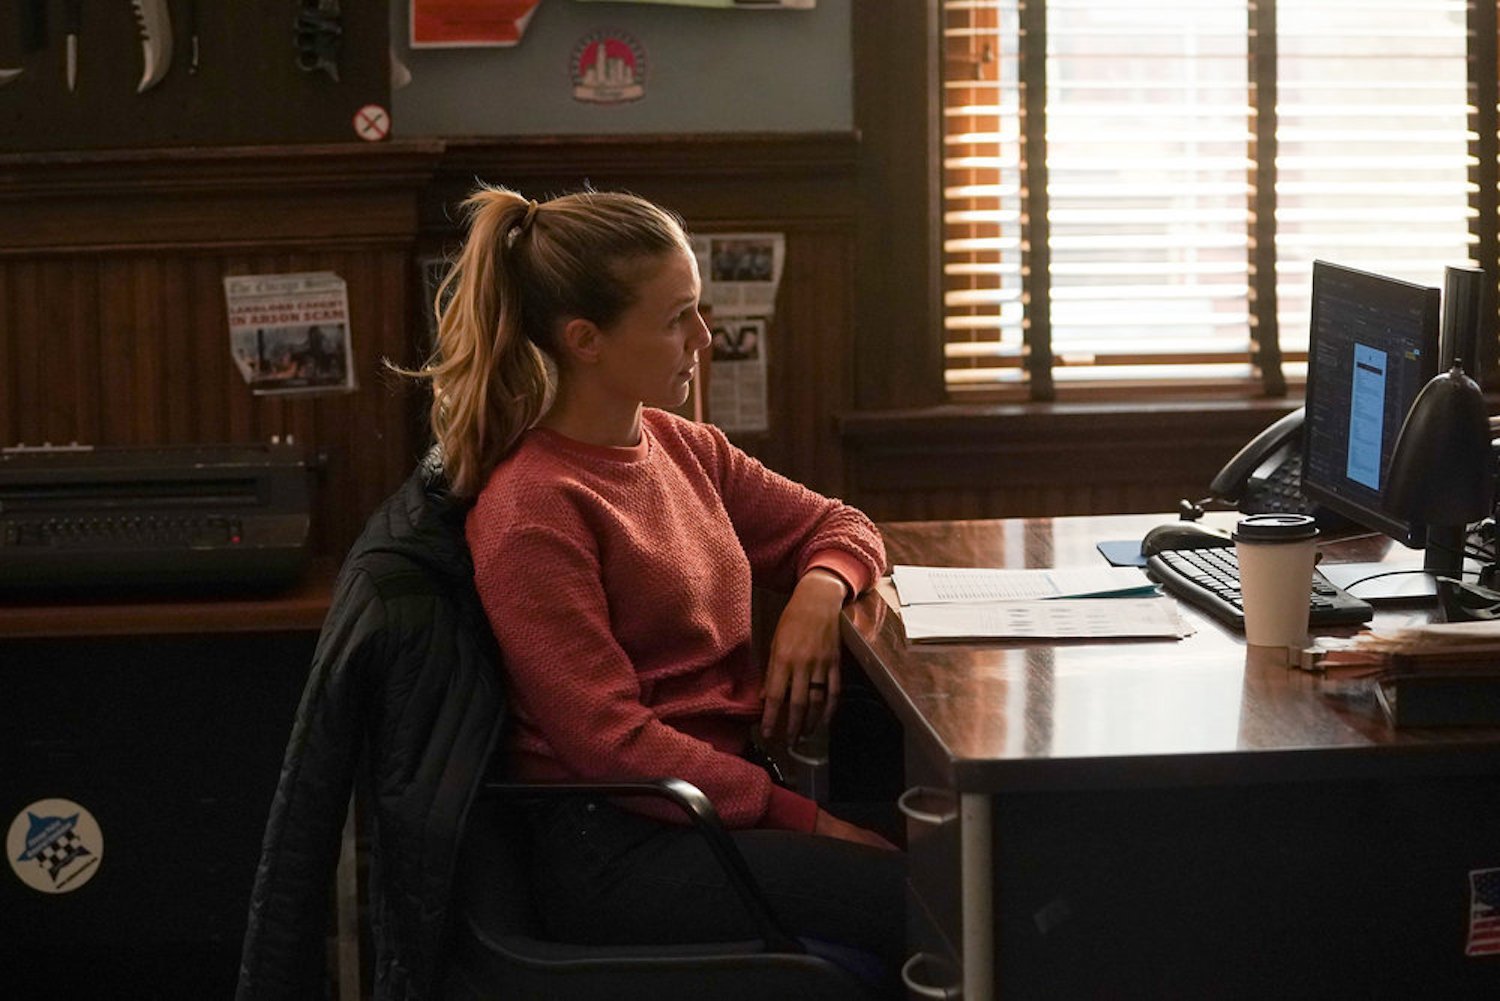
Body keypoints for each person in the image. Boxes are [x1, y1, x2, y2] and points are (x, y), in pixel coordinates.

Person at [408, 184, 905, 989]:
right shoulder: (533, 508)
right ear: (586, 340)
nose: (703, 338)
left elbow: (843, 525)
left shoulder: (678, 444)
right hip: (621, 844)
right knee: (935, 896)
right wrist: (810, 822)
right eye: (677, 318)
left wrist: (817, 593)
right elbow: (611, 742)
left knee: (965, 863)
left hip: (711, 805)